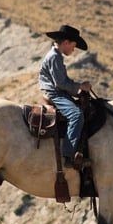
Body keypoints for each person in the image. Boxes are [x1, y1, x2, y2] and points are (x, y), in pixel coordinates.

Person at [39, 25, 92, 169]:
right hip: (55, 93)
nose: (73, 50)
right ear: (66, 42)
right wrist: (80, 87)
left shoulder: (56, 55)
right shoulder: (55, 56)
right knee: (76, 115)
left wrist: (78, 90)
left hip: (58, 92)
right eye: (73, 46)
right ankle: (68, 155)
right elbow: (60, 83)